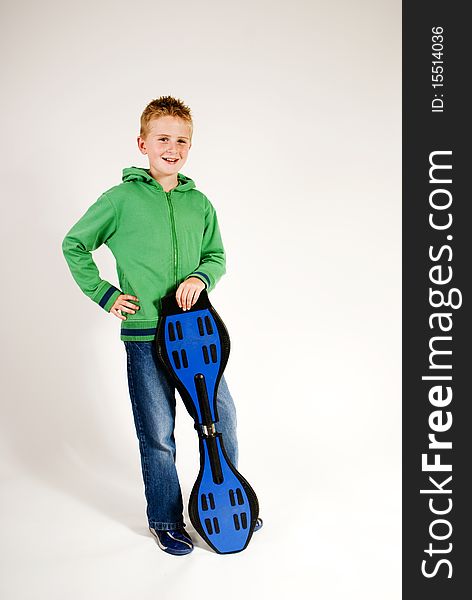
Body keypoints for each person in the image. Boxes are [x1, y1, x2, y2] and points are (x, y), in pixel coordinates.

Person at [62, 95, 261, 556]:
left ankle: (229, 503)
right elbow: (75, 244)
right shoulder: (119, 200)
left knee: (222, 421)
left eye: (182, 141)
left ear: (190, 147)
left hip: (196, 337)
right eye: (163, 138)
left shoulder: (200, 204)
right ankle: (167, 520)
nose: (173, 148)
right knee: (158, 433)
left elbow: (217, 257)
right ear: (143, 143)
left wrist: (200, 276)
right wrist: (107, 294)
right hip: (146, 336)